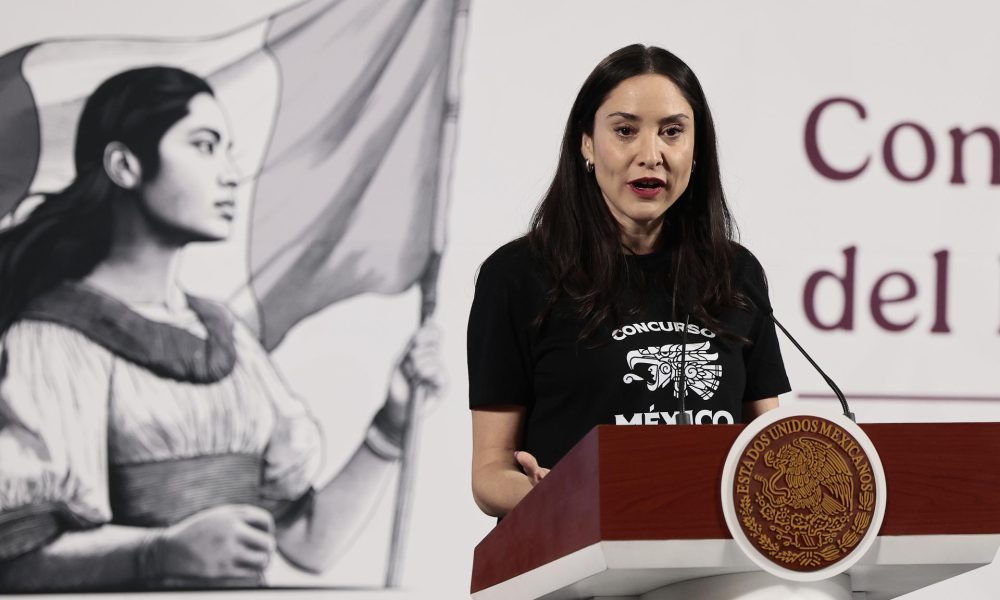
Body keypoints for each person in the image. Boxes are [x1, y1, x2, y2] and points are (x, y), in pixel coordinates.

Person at [0, 66, 442, 590]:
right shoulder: (53, 339)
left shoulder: (224, 335)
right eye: (205, 146)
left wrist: (390, 425)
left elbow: (308, 544)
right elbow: (18, 562)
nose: (231, 173)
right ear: (124, 165)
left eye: (228, 149)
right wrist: (158, 553)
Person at [468, 45, 790, 518]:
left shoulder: (736, 273)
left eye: (672, 132)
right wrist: (551, 498)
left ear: (696, 149)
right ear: (587, 144)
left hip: (710, 565)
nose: (651, 154)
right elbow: (490, 473)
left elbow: (769, 452)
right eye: (625, 131)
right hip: (579, 560)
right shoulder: (517, 276)